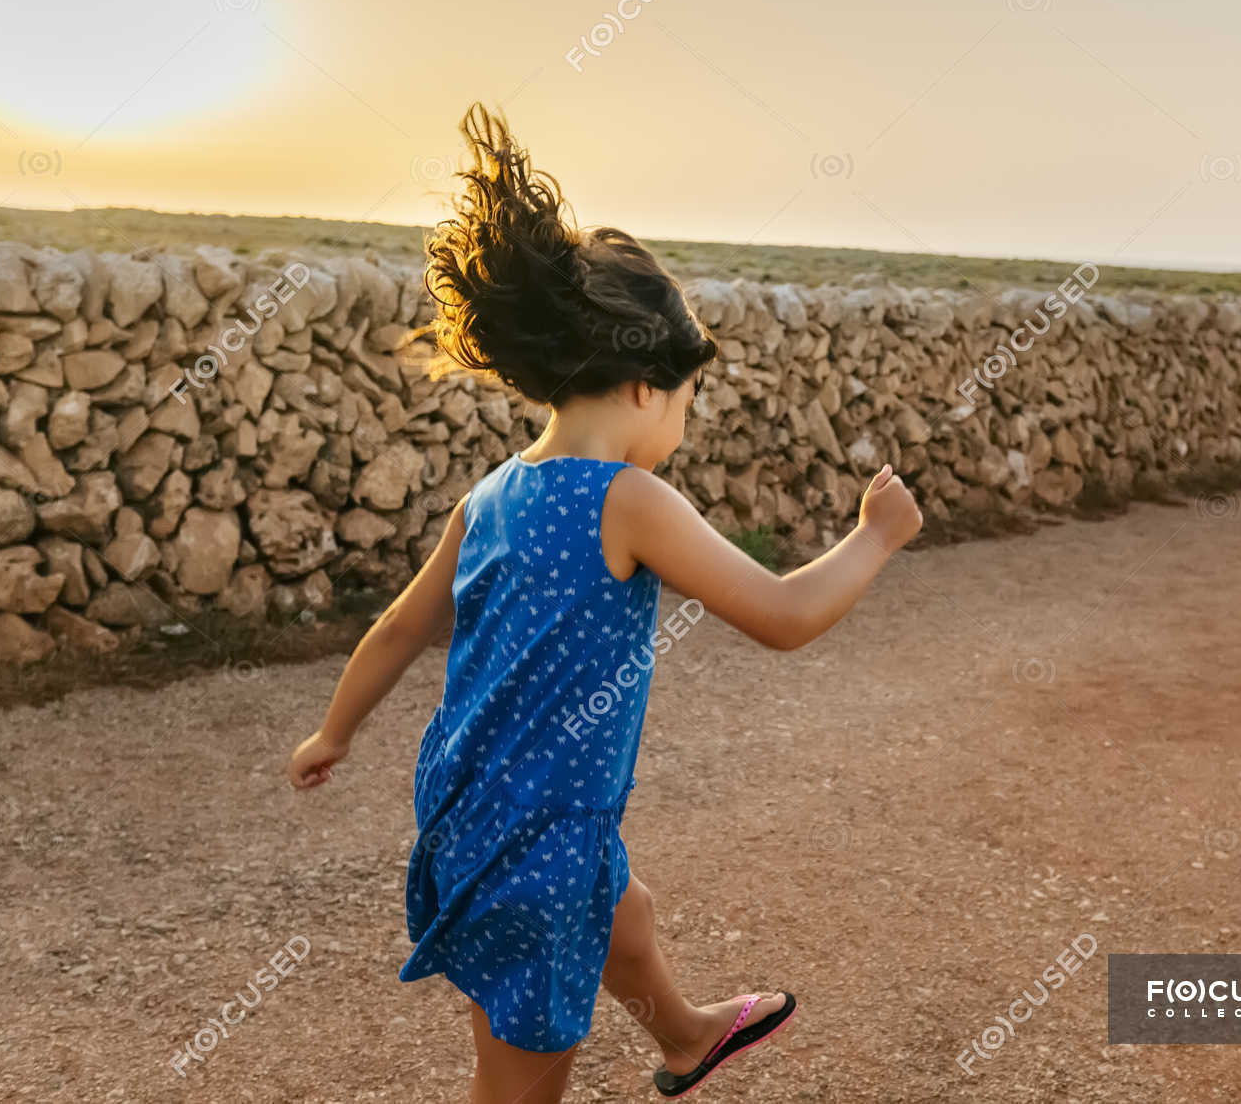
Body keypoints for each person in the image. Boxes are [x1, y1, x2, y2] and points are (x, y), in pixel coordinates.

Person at [287, 102, 922, 1102]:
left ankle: (684, 1036)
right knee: (521, 1079)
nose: (682, 419)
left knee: (625, 911)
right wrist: (876, 535)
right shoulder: (629, 500)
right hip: (539, 844)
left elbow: (401, 625)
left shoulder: (492, 495)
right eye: (684, 399)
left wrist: (333, 731)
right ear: (640, 385)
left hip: (469, 812)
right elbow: (783, 614)